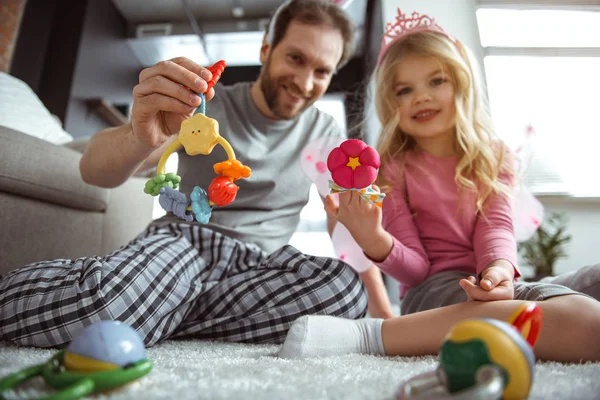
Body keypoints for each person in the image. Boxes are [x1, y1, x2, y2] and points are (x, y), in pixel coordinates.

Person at [0, 0, 369, 348]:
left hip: (259, 270)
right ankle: (142, 304)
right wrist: (139, 136)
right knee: (104, 307)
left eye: (322, 71)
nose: (305, 83)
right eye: (295, 58)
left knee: (345, 292)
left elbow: (344, 220)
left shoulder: (326, 134)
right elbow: (92, 170)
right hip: (186, 243)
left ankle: (153, 310)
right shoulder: (204, 106)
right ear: (265, 49)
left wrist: (379, 311)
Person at [277, 9, 600, 363]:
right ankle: (372, 335)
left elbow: (496, 228)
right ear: (391, 102)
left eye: (437, 81)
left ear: (461, 84)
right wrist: (373, 240)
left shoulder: (494, 156)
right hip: (432, 294)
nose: (421, 97)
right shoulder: (392, 169)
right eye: (405, 89)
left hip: (489, 281)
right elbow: (415, 269)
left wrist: (498, 272)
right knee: (586, 323)